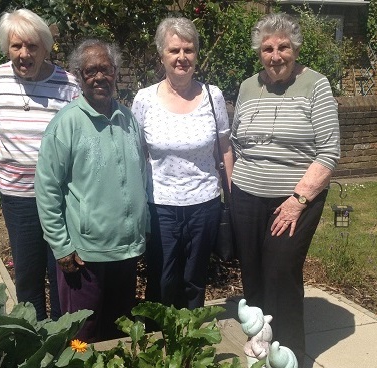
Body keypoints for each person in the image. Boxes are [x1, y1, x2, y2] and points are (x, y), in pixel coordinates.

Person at [229, 13, 341, 365]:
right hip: (246, 195)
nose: (275, 55)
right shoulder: (248, 87)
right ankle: (259, 343)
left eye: (283, 47)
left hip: (294, 197)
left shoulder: (316, 85)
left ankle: (288, 352)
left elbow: (329, 151)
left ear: (295, 48)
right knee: (253, 270)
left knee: (280, 270)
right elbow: (235, 140)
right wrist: (233, 189)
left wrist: (298, 199)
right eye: (267, 48)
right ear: (259, 52)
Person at [0, 8, 80, 321]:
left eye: (31, 46)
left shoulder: (68, 85)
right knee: (27, 276)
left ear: (45, 47)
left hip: (60, 199)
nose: (23, 54)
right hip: (17, 196)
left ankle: (62, 337)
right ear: (7, 48)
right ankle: (34, 339)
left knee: (63, 271)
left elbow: (81, 136)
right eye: (16, 46)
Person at [35, 39, 150, 343]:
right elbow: (47, 189)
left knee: (119, 333)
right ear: (78, 77)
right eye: (90, 71)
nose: (99, 77)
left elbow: (142, 175)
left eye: (106, 69)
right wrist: (61, 246)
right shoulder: (66, 124)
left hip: (125, 250)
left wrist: (142, 227)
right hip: (85, 255)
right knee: (82, 337)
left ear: (115, 72)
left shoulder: (128, 119)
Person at [131, 16, 232, 310]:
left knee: (194, 279)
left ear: (196, 55)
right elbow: (136, 154)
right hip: (160, 206)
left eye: (189, 50)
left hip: (205, 204)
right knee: (162, 279)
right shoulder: (144, 99)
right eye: (174, 50)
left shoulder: (213, 97)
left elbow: (224, 149)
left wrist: (232, 194)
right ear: (162, 55)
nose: (182, 58)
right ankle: (159, 344)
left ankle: (191, 343)